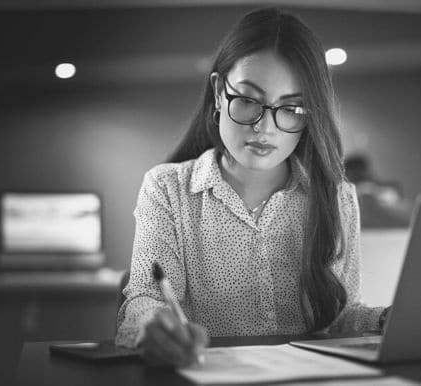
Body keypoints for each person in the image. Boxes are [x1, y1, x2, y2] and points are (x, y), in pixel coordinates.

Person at [115, 7, 388, 367]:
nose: (265, 128)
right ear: (218, 93)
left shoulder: (336, 197)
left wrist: (386, 320)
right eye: (247, 100)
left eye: (291, 109)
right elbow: (146, 298)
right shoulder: (167, 189)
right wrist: (153, 323)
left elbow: (341, 319)